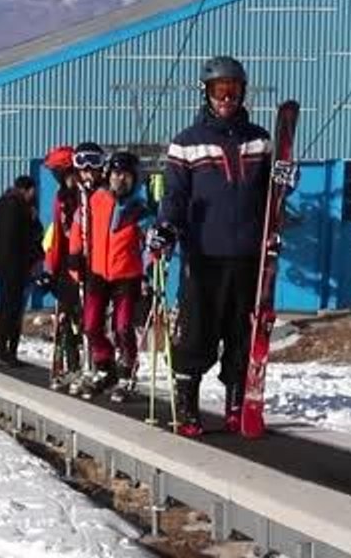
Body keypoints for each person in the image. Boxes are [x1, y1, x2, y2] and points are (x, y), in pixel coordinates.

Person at [149, 55, 297, 436]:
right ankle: (187, 404)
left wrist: (285, 183)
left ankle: (236, 401)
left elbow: (272, 195)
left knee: (239, 331)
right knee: (197, 331)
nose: (227, 98)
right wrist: (166, 229)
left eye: (233, 90)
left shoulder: (259, 140)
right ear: (207, 94)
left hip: (249, 255)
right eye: (219, 90)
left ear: (243, 93)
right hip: (203, 254)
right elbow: (175, 198)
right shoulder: (186, 143)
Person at [69, 150, 154, 401]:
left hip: (127, 275)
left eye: (127, 176)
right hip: (97, 271)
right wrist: (75, 257)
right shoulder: (95, 200)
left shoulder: (139, 210)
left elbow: (150, 244)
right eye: (117, 174)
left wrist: (150, 268)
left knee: (122, 326)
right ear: (109, 175)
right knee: (91, 325)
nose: (121, 180)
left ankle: (127, 371)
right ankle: (105, 367)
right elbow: (79, 226)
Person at [36, 144, 83, 389]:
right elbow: (56, 236)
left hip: (84, 263)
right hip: (66, 263)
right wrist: (51, 269)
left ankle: (89, 366)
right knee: (67, 316)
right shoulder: (61, 197)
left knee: (86, 318)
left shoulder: (85, 195)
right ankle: (71, 363)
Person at [0, 175, 42, 367]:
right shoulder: (19, 208)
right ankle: (7, 352)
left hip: (2, 265)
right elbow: (28, 238)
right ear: (27, 190)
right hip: (16, 266)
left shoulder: (1, 206)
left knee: (6, 307)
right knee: (13, 309)